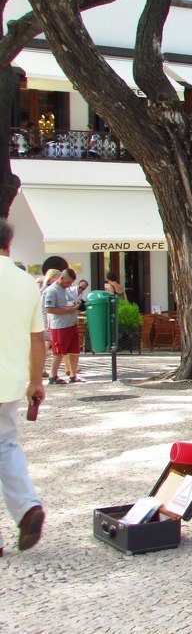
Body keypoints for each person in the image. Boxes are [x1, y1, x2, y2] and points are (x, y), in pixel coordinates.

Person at [0, 219, 47, 554]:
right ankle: (27, 505)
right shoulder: (25, 282)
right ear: (9, 245)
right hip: (10, 381)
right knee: (6, 446)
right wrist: (35, 380)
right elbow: (37, 339)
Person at [43, 269, 85, 385]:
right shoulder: (51, 291)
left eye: (71, 283)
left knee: (74, 350)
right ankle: (53, 375)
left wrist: (74, 306)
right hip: (59, 326)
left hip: (71, 323)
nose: (69, 285)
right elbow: (49, 309)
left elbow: (69, 302)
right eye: (68, 282)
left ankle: (73, 374)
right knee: (59, 351)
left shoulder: (66, 289)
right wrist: (67, 310)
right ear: (61, 278)